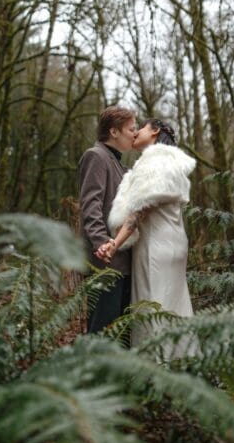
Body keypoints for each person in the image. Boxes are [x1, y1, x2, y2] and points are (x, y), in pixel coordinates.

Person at [98, 118, 196, 347]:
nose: (135, 133)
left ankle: (155, 367)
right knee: (174, 305)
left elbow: (139, 211)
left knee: (153, 304)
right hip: (174, 240)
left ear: (154, 131)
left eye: (140, 128)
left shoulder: (153, 162)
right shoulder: (171, 163)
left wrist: (115, 243)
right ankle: (181, 364)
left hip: (155, 245)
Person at [77, 106, 136, 333]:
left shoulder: (120, 165)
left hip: (123, 262)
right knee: (102, 332)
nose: (134, 133)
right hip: (105, 261)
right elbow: (90, 205)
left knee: (119, 335)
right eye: (131, 129)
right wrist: (101, 242)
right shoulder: (96, 156)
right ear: (114, 131)